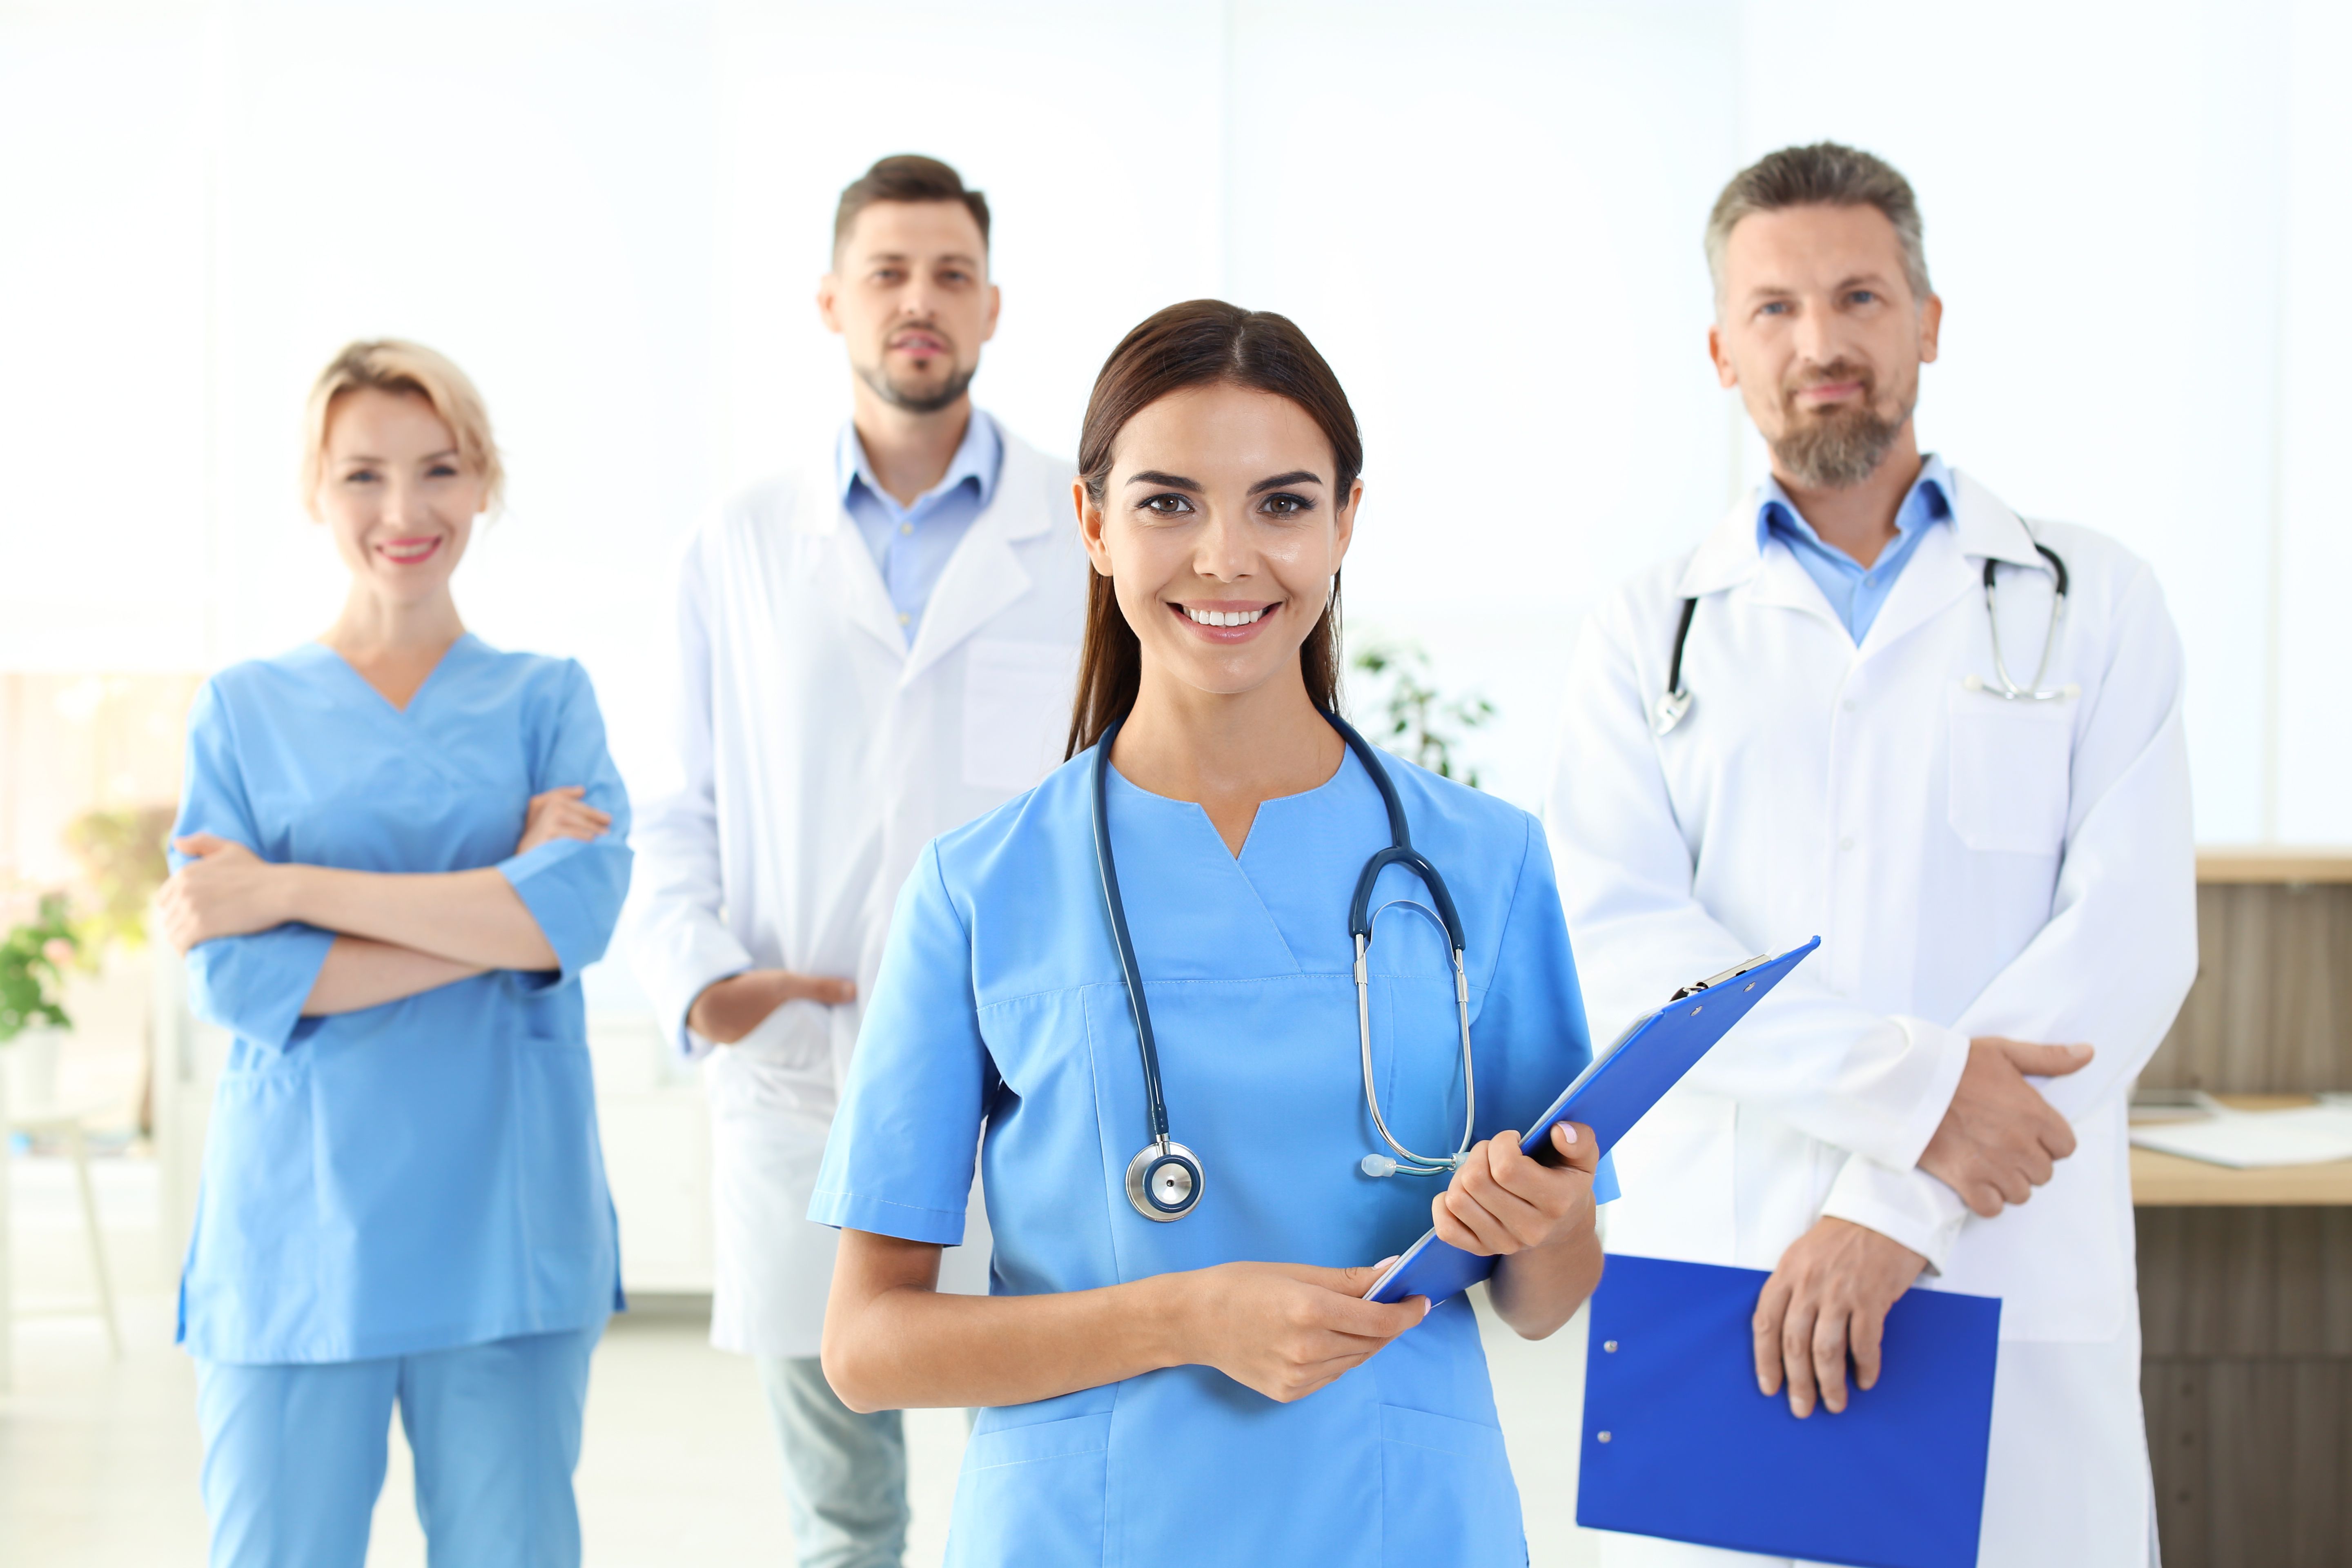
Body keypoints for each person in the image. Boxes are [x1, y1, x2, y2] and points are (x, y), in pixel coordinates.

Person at [813, 300, 1613, 1567]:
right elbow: (866, 1348)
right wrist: (1184, 1318)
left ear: (1348, 522)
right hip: (1086, 1530)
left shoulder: (1484, 861)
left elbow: (1545, 1300)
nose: (1227, 557)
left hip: (1397, 1521)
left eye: (1284, 505)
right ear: (1092, 524)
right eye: (1169, 504)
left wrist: (1551, 1225)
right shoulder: (981, 887)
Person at [1547, 143, 2194, 1567]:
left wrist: (1897, 1202)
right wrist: (1913, 1099)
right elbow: (1626, 946)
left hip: (2002, 1266)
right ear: (1721, 349)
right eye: (1774, 309)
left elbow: (2129, 943)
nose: (1821, 343)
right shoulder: (1647, 628)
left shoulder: (2095, 605)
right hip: (1733, 1277)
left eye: (1859, 296)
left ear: (1930, 321)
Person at [623, 154, 1087, 1567]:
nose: (919, 302)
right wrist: (710, 987)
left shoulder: (1086, 526)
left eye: (950, 274)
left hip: (1030, 1073)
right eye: (888, 273)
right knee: (841, 1510)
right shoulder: (741, 542)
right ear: (832, 300)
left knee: (1044, 1473)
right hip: (804, 1070)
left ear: (993, 306)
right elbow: (676, 801)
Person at [155, 339, 633, 1568]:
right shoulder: (245, 710)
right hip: (297, 1235)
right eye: (364, 475)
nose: (406, 512)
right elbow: (235, 972)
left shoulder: (547, 699)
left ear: (486, 483)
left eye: (442, 470)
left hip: (506, 1228)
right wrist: (495, 913)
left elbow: (572, 921)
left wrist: (294, 892)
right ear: (315, 487)